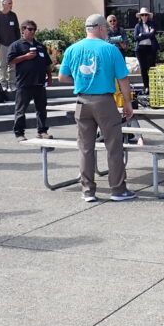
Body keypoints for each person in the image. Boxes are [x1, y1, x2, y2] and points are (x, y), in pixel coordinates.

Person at [59, 14, 135, 202]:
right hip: (104, 102)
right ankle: (118, 189)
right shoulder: (110, 50)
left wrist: (79, 80)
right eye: (106, 29)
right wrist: (127, 102)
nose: (107, 32)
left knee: (85, 148)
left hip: (82, 101)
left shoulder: (72, 49)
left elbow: (62, 77)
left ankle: (88, 191)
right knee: (113, 146)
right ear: (101, 28)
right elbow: (123, 79)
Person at [8, 19, 55, 141]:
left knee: (41, 108)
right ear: (23, 30)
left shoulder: (40, 46)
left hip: (39, 82)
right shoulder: (16, 45)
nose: (33, 31)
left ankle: (42, 131)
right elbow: (10, 61)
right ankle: (19, 133)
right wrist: (25, 57)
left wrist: (49, 77)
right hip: (24, 83)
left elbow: (47, 63)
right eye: (30, 29)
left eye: (34, 29)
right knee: (21, 110)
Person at [0, 0, 21, 92]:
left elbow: (17, 29)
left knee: (13, 65)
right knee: (2, 65)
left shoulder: (13, 15)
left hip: (13, 44)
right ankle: (2, 84)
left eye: (11, 3)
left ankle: (12, 84)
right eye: (9, 3)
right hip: (2, 44)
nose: (11, 5)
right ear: (3, 4)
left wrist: (17, 42)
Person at [133, 7, 159, 91]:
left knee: (151, 68)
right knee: (143, 69)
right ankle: (146, 86)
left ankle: (153, 87)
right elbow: (135, 37)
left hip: (150, 48)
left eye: (145, 15)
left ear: (148, 16)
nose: (144, 16)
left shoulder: (152, 24)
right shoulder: (137, 26)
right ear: (140, 16)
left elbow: (152, 34)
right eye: (142, 15)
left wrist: (142, 35)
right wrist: (147, 34)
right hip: (140, 50)